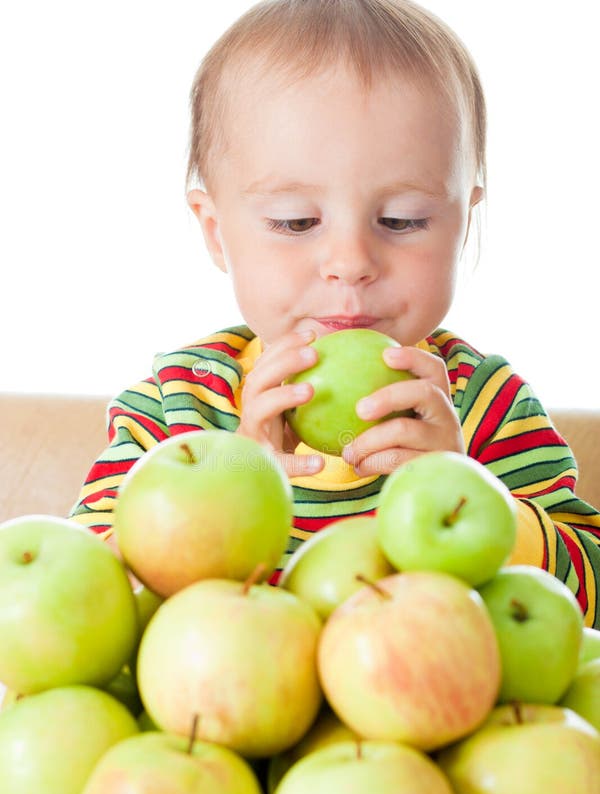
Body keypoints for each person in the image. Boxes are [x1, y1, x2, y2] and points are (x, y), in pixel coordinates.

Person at [68, 0, 600, 627]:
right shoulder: (177, 408)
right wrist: (225, 498)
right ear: (216, 232)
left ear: (462, 224)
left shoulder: (484, 407)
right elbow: (86, 601)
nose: (349, 263)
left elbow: (586, 591)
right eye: (296, 221)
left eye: (402, 219)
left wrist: (468, 497)